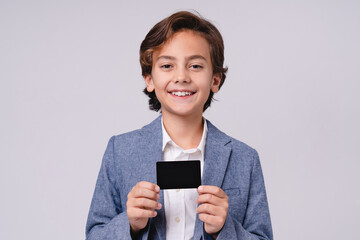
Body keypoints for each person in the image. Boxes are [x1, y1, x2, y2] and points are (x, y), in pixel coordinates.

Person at [85, 11, 273, 240]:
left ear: (215, 80)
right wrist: (130, 224)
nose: (181, 76)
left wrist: (223, 229)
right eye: (167, 66)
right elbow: (94, 235)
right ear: (149, 79)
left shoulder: (245, 159)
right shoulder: (120, 151)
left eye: (195, 66)